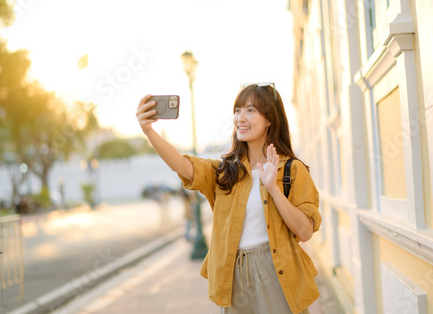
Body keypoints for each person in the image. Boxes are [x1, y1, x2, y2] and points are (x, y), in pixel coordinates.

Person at [136, 83, 321, 314]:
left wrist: (272, 188)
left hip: (276, 272)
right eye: (237, 110)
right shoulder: (225, 172)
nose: (240, 118)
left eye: (251, 110)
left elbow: (304, 232)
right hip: (235, 276)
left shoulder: (292, 170)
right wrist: (149, 132)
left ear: (270, 119)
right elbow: (182, 166)